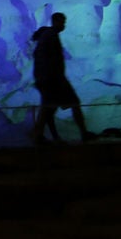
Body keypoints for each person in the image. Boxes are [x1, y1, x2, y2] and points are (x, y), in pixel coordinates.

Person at [29, 11, 93, 144]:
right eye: (62, 22)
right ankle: (83, 133)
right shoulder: (50, 36)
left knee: (49, 108)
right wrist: (54, 78)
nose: (64, 25)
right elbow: (50, 60)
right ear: (56, 21)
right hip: (53, 80)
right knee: (66, 104)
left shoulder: (47, 36)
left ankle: (40, 135)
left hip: (48, 79)